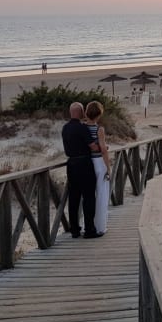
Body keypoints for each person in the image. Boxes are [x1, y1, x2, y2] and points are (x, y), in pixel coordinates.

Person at [61, 102, 101, 238]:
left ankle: (75, 230)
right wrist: (103, 146)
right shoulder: (82, 128)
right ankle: (89, 230)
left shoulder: (65, 128)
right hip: (84, 163)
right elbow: (93, 147)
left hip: (71, 164)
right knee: (89, 197)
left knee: (74, 198)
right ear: (82, 112)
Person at [84, 101, 111, 235]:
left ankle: (88, 224)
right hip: (99, 163)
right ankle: (100, 226)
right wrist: (108, 167)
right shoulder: (99, 129)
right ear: (99, 115)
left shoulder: (83, 128)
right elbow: (103, 149)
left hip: (87, 163)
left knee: (89, 195)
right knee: (101, 194)